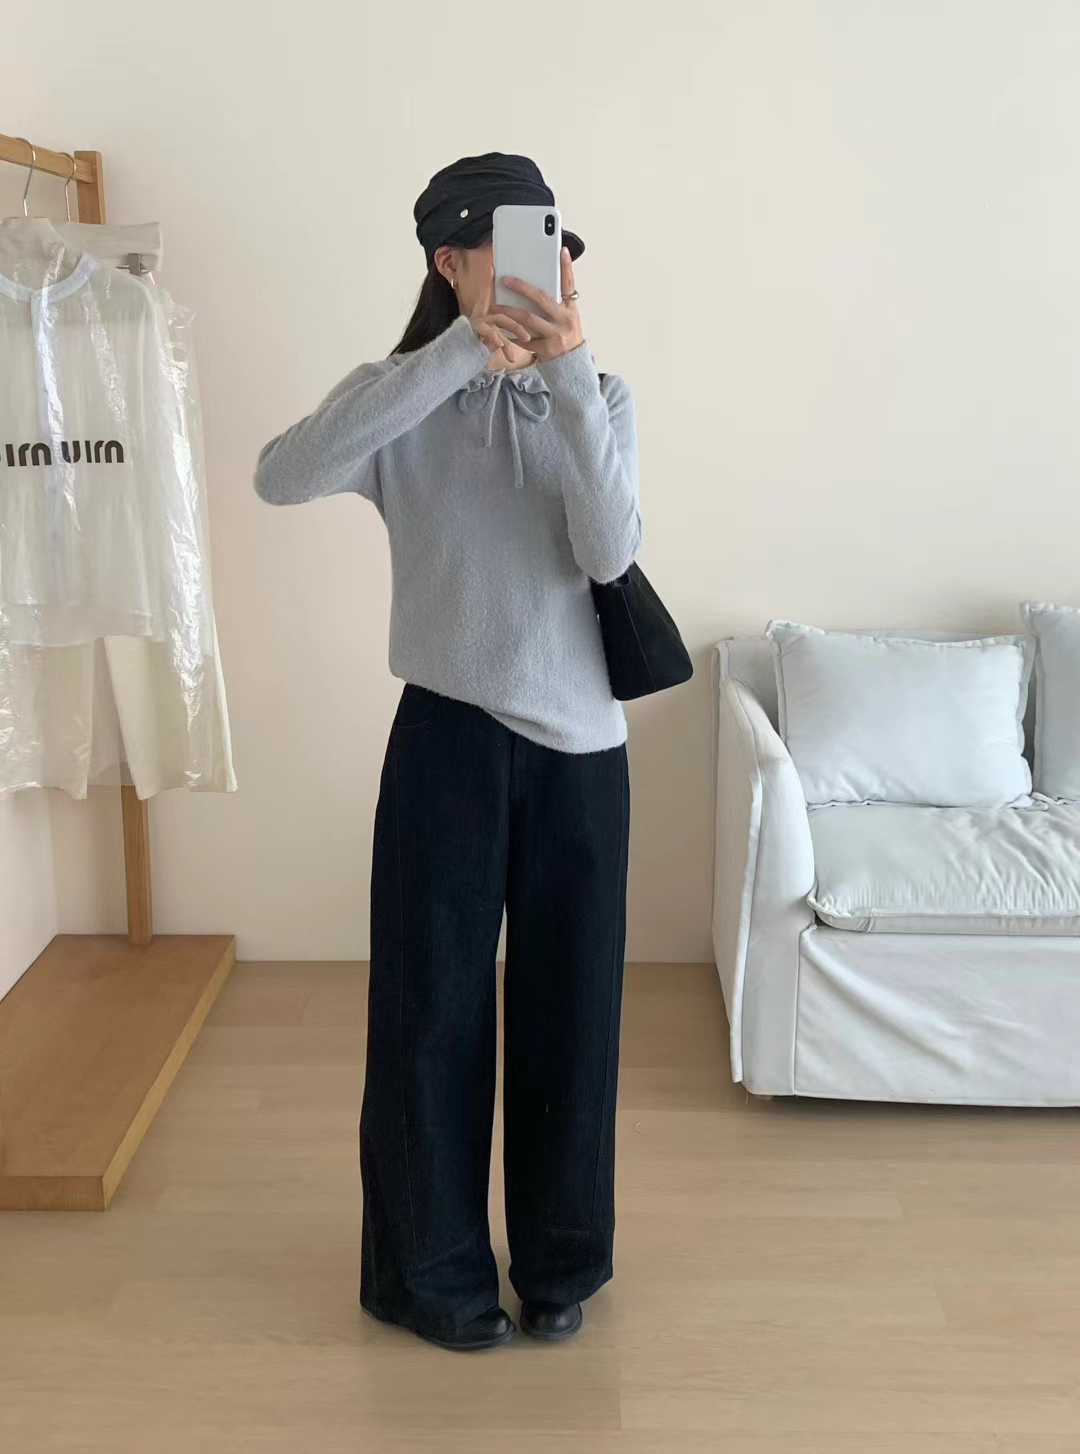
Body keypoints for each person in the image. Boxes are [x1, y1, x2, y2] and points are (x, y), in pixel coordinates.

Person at [253, 152, 642, 1352]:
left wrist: (565, 373)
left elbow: (610, 550)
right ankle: (430, 1274)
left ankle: (563, 1264)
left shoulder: (600, 395)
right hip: (447, 741)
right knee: (430, 1015)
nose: (545, 267)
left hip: (583, 751)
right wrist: (456, 357)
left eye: (555, 244)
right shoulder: (402, 400)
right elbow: (282, 474)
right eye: (517, 245)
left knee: (572, 1016)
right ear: (451, 259)